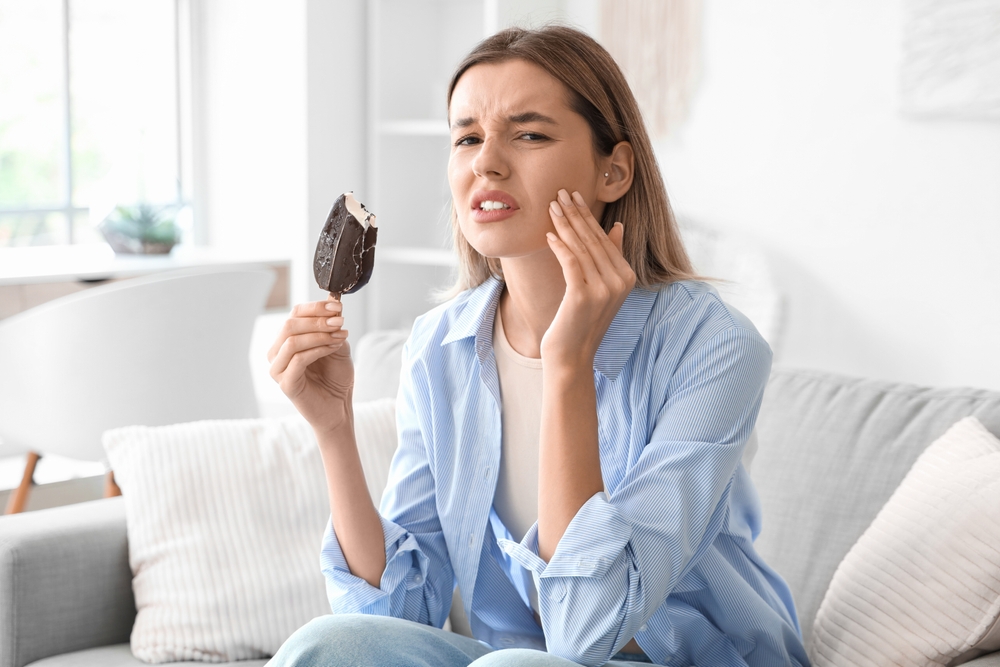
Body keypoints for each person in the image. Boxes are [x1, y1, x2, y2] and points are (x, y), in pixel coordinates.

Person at [267, 25, 809, 667]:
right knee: (325, 646)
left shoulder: (710, 345)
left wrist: (568, 366)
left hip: (680, 660)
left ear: (614, 170)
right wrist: (334, 430)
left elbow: (586, 632)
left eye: (529, 134)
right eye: (467, 137)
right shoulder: (439, 347)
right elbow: (401, 618)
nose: (485, 162)